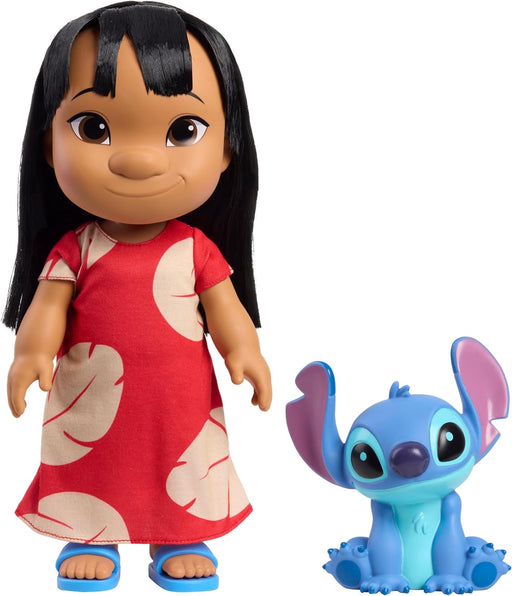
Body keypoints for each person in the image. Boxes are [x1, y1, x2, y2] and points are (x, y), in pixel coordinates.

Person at [4, 2, 271, 591]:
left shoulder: (195, 249)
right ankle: (89, 532)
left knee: (181, 456)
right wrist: (30, 354)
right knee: (93, 454)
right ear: (48, 143)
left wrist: (245, 352)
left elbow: (225, 308)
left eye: (183, 131)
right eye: (93, 128)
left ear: (228, 149)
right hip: (93, 389)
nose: (138, 158)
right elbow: (47, 308)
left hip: (179, 398)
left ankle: (179, 532)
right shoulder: (76, 249)